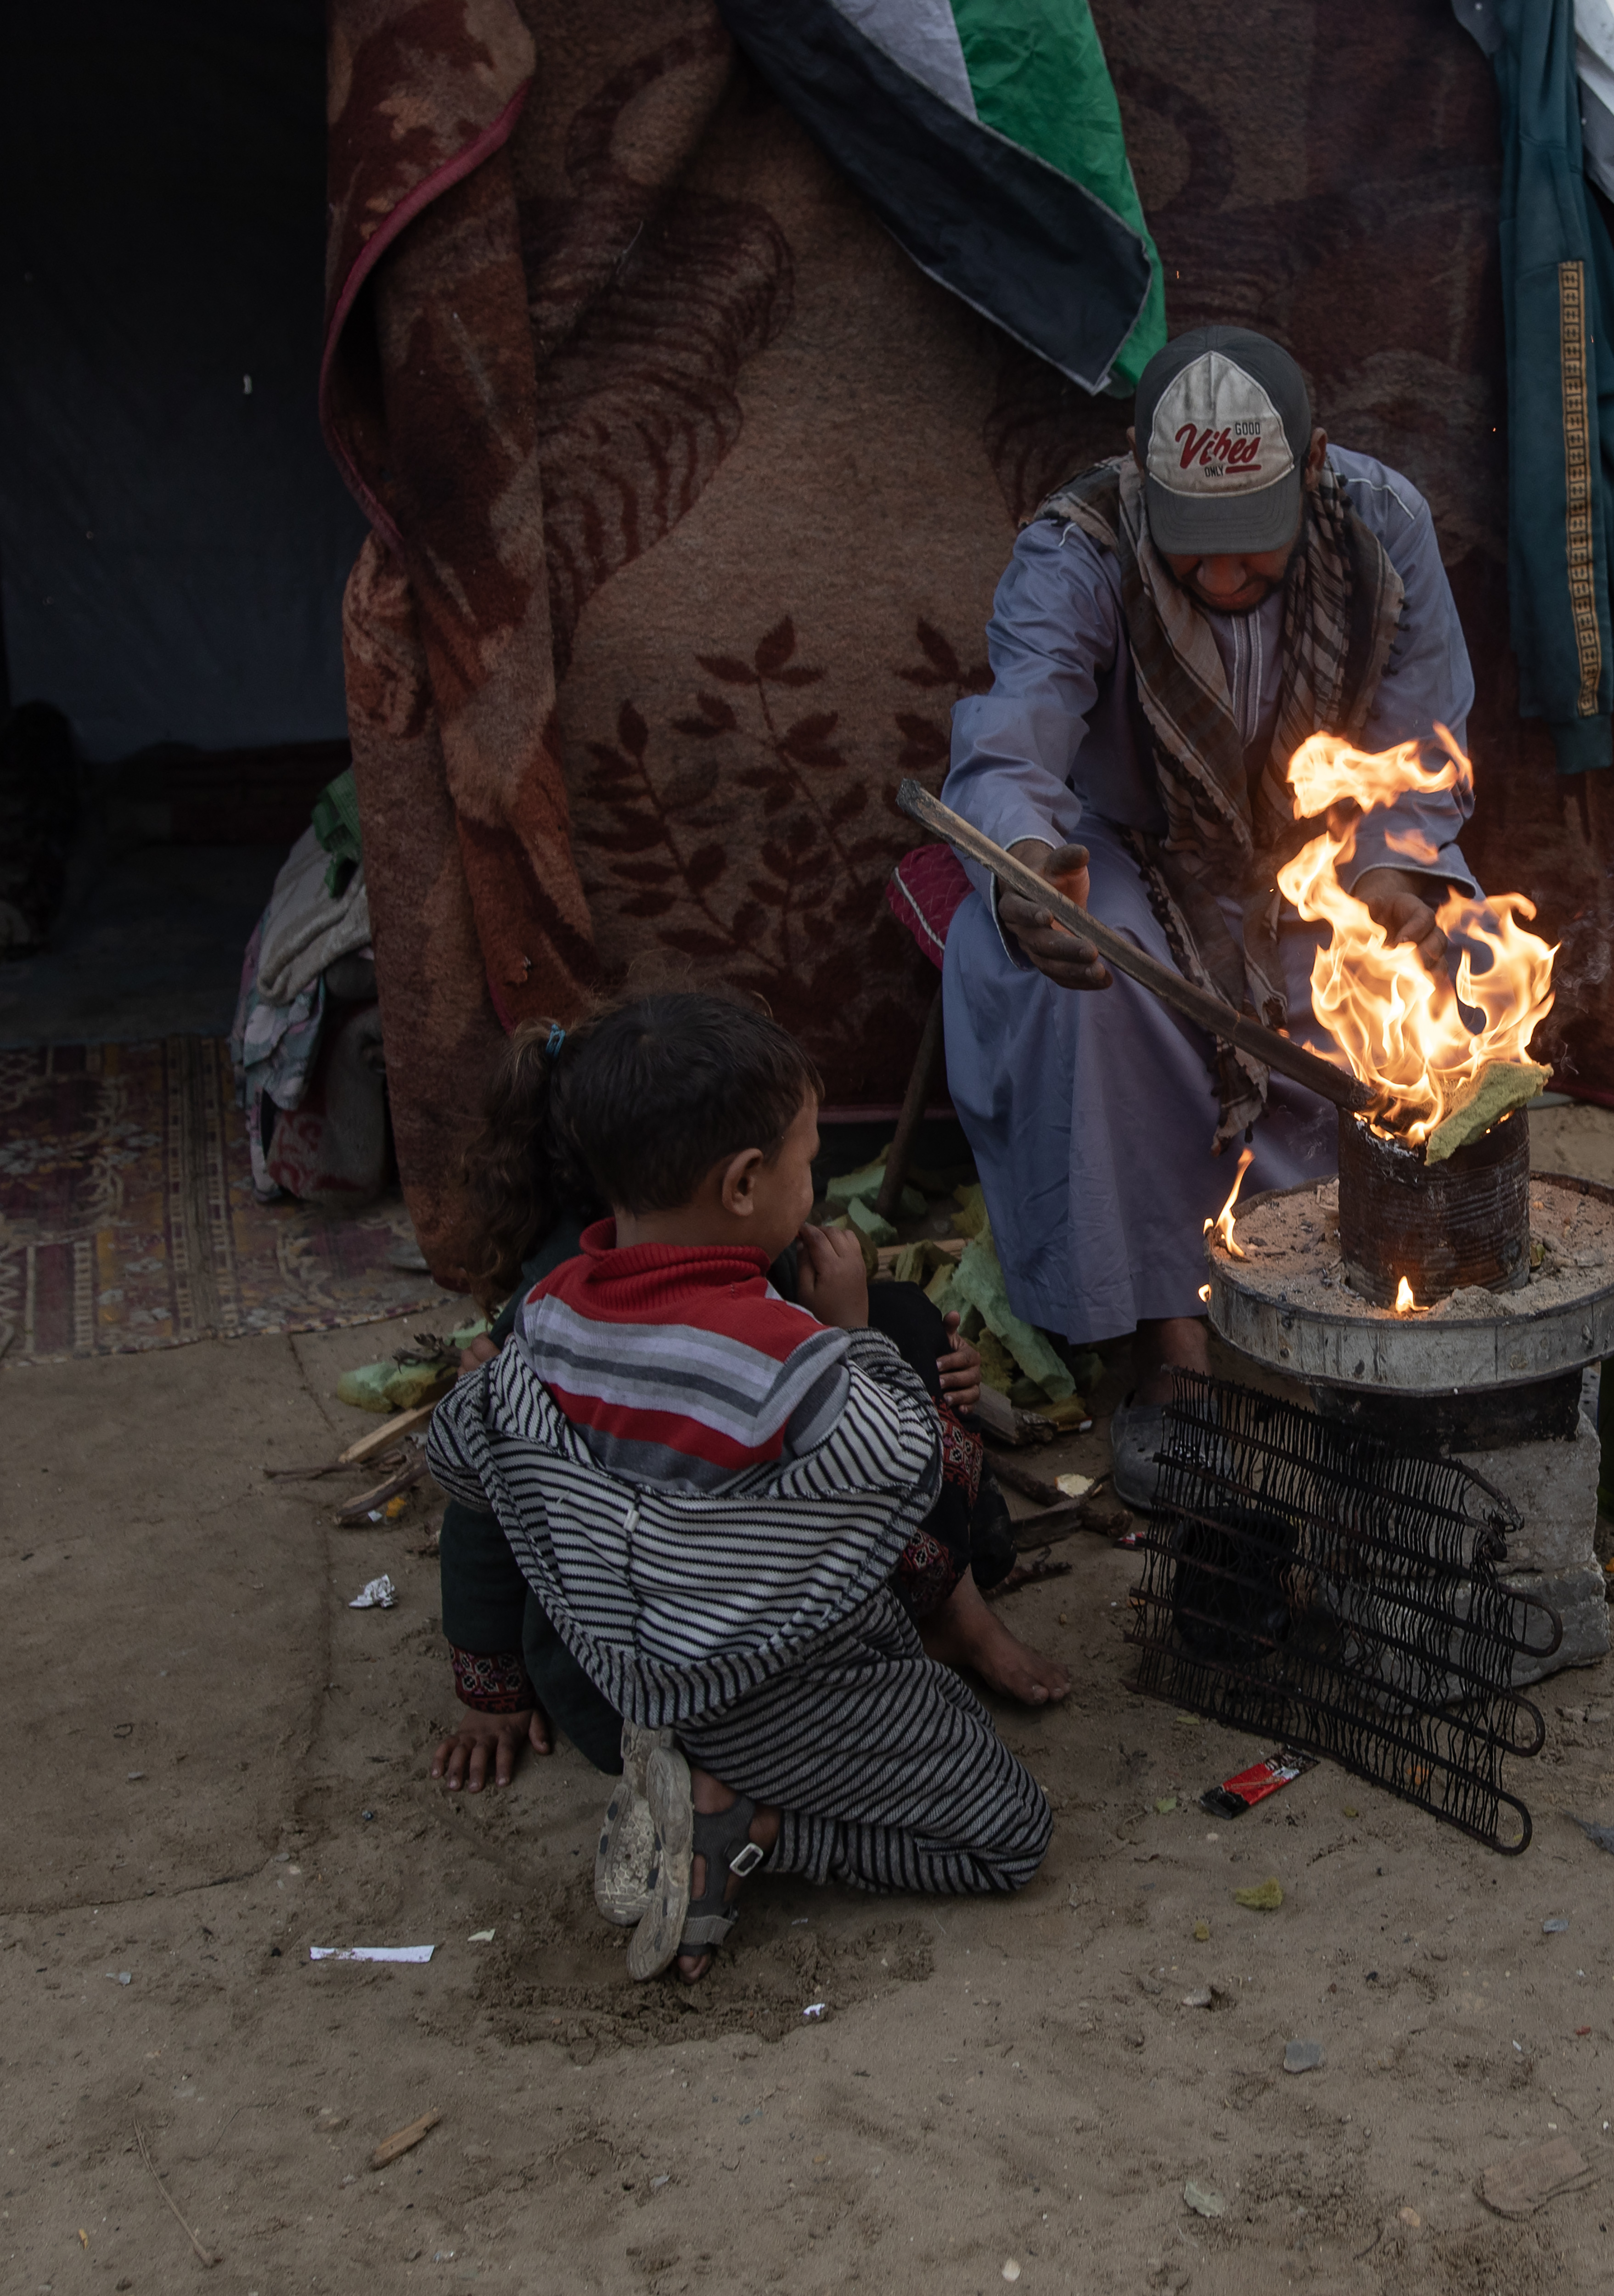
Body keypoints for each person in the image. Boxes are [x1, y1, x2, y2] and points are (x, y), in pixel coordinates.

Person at [421, 995, 1066, 1984]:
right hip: (767, 1691)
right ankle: (747, 1823)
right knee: (1010, 1837)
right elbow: (910, 1467)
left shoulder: (542, 1324)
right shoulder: (782, 1360)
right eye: (807, 1161)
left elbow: (465, 1459)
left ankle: (708, 1787)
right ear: (743, 1184)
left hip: (624, 1688)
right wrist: (853, 1336)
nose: (814, 1184)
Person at [936, 325, 1477, 1497]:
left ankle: (1363, 1295)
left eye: (1252, 543)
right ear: (1143, 481)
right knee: (1090, 984)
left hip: (1325, 855)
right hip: (1130, 849)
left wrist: (1389, 878)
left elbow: (1418, 746)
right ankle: (1169, 1353)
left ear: (1315, 466)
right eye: (1197, 549)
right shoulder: (1080, 549)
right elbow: (1014, 742)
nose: (1225, 578)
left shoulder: (1384, 528)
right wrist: (1026, 867)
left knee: (1435, 971)